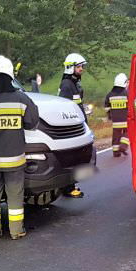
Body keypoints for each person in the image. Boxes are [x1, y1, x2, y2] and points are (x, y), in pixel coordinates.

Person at [0, 55, 39, 240]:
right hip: (15, 159)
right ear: (10, 75)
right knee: (15, 196)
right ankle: (16, 231)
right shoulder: (21, 98)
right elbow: (32, 123)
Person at [58, 52, 87, 198]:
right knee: (71, 159)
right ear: (70, 68)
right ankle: (68, 188)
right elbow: (65, 107)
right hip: (71, 129)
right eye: (79, 66)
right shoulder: (67, 85)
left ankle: (70, 186)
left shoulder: (73, 84)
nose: (82, 69)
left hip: (77, 127)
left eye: (82, 66)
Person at [104, 73, 130, 157]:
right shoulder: (126, 94)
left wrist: (109, 115)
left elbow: (106, 107)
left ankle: (116, 152)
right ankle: (123, 146)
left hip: (115, 121)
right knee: (128, 132)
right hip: (125, 120)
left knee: (116, 136)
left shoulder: (109, 94)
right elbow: (131, 106)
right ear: (124, 83)